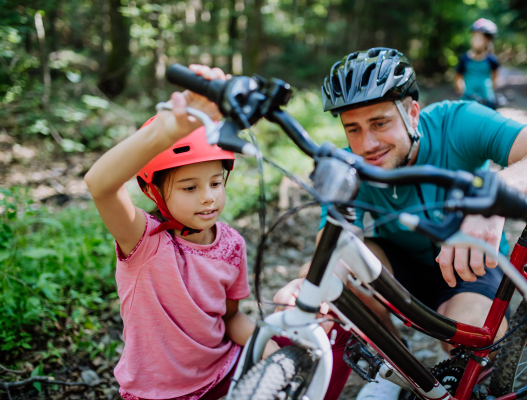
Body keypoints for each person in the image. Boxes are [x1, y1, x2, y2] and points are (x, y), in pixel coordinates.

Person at [273, 47, 527, 398]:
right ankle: (393, 368)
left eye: (380, 123)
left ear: (412, 112)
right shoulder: (350, 166)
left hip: (471, 267)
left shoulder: (457, 123)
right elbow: (331, 241)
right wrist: (310, 287)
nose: (366, 144)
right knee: (341, 265)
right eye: (352, 128)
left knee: (467, 341)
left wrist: (489, 197)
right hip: (399, 271)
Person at [85, 64, 352, 400]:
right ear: (153, 192)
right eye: (189, 187)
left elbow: (231, 318)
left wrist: (269, 350)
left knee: (333, 332)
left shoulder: (230, 244)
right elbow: (100, 186)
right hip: (160, 394)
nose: (208, 196)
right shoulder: (143, 240)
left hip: (225, 373)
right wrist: (167, 131)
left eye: (215, 182)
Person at [454, 18, 500, 109]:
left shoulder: (491, 59)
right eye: (474, 37)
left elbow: (495, 77)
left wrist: (490, 92)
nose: (476, 41)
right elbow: (458, 77)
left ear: (487, 40)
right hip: (468, 100)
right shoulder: (465, 58)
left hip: (487, 100)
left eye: (480, 38)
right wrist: (462, 92)